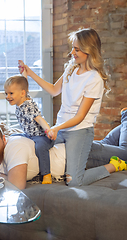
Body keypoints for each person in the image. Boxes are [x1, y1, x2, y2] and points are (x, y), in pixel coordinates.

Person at [0, 107, 127, 190]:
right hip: (75, 150)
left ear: (4, 139)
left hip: (78, 156)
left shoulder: (13, 147)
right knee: (108, 144)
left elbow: (17, 185)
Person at [17, 28, 110, 186]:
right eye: (73, 47)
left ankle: (113, 166)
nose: (72, 52)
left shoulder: (95, 79)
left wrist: (56, 128)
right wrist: (29, 73)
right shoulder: (71, 68)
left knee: (74, 182)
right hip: (61, 126)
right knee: (36, 143)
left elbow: (80, 117)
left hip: (79, 131)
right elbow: (54, 90)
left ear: (89, 50)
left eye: (77, 49)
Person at [4, 75, 54, 184]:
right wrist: (24, 73)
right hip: (29, 134)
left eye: (11, 93)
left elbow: (39, 119)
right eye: (6, 93)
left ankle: (46, 174)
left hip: (41, 135)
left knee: (40, 147)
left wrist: (48, 130)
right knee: (12, 137)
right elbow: (23, 86)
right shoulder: (21, 100)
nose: (7, 96)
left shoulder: (28, 106)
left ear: (22, 93)